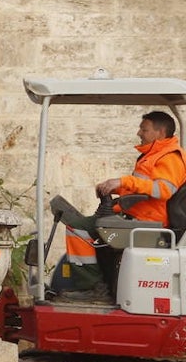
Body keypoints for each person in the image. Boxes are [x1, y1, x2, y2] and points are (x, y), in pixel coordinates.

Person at [50, 110, 186, 300]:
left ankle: (94, 288)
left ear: (160, 133)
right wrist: (113, 189)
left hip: (149, 224)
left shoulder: (170, 157)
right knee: (82, 225)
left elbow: (164, 190)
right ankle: (99, 284)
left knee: (77, 229)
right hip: (137, 218)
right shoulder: (154, 155)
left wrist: (122, 182)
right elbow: (141, 191)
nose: (139, 133)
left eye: (144, 129)